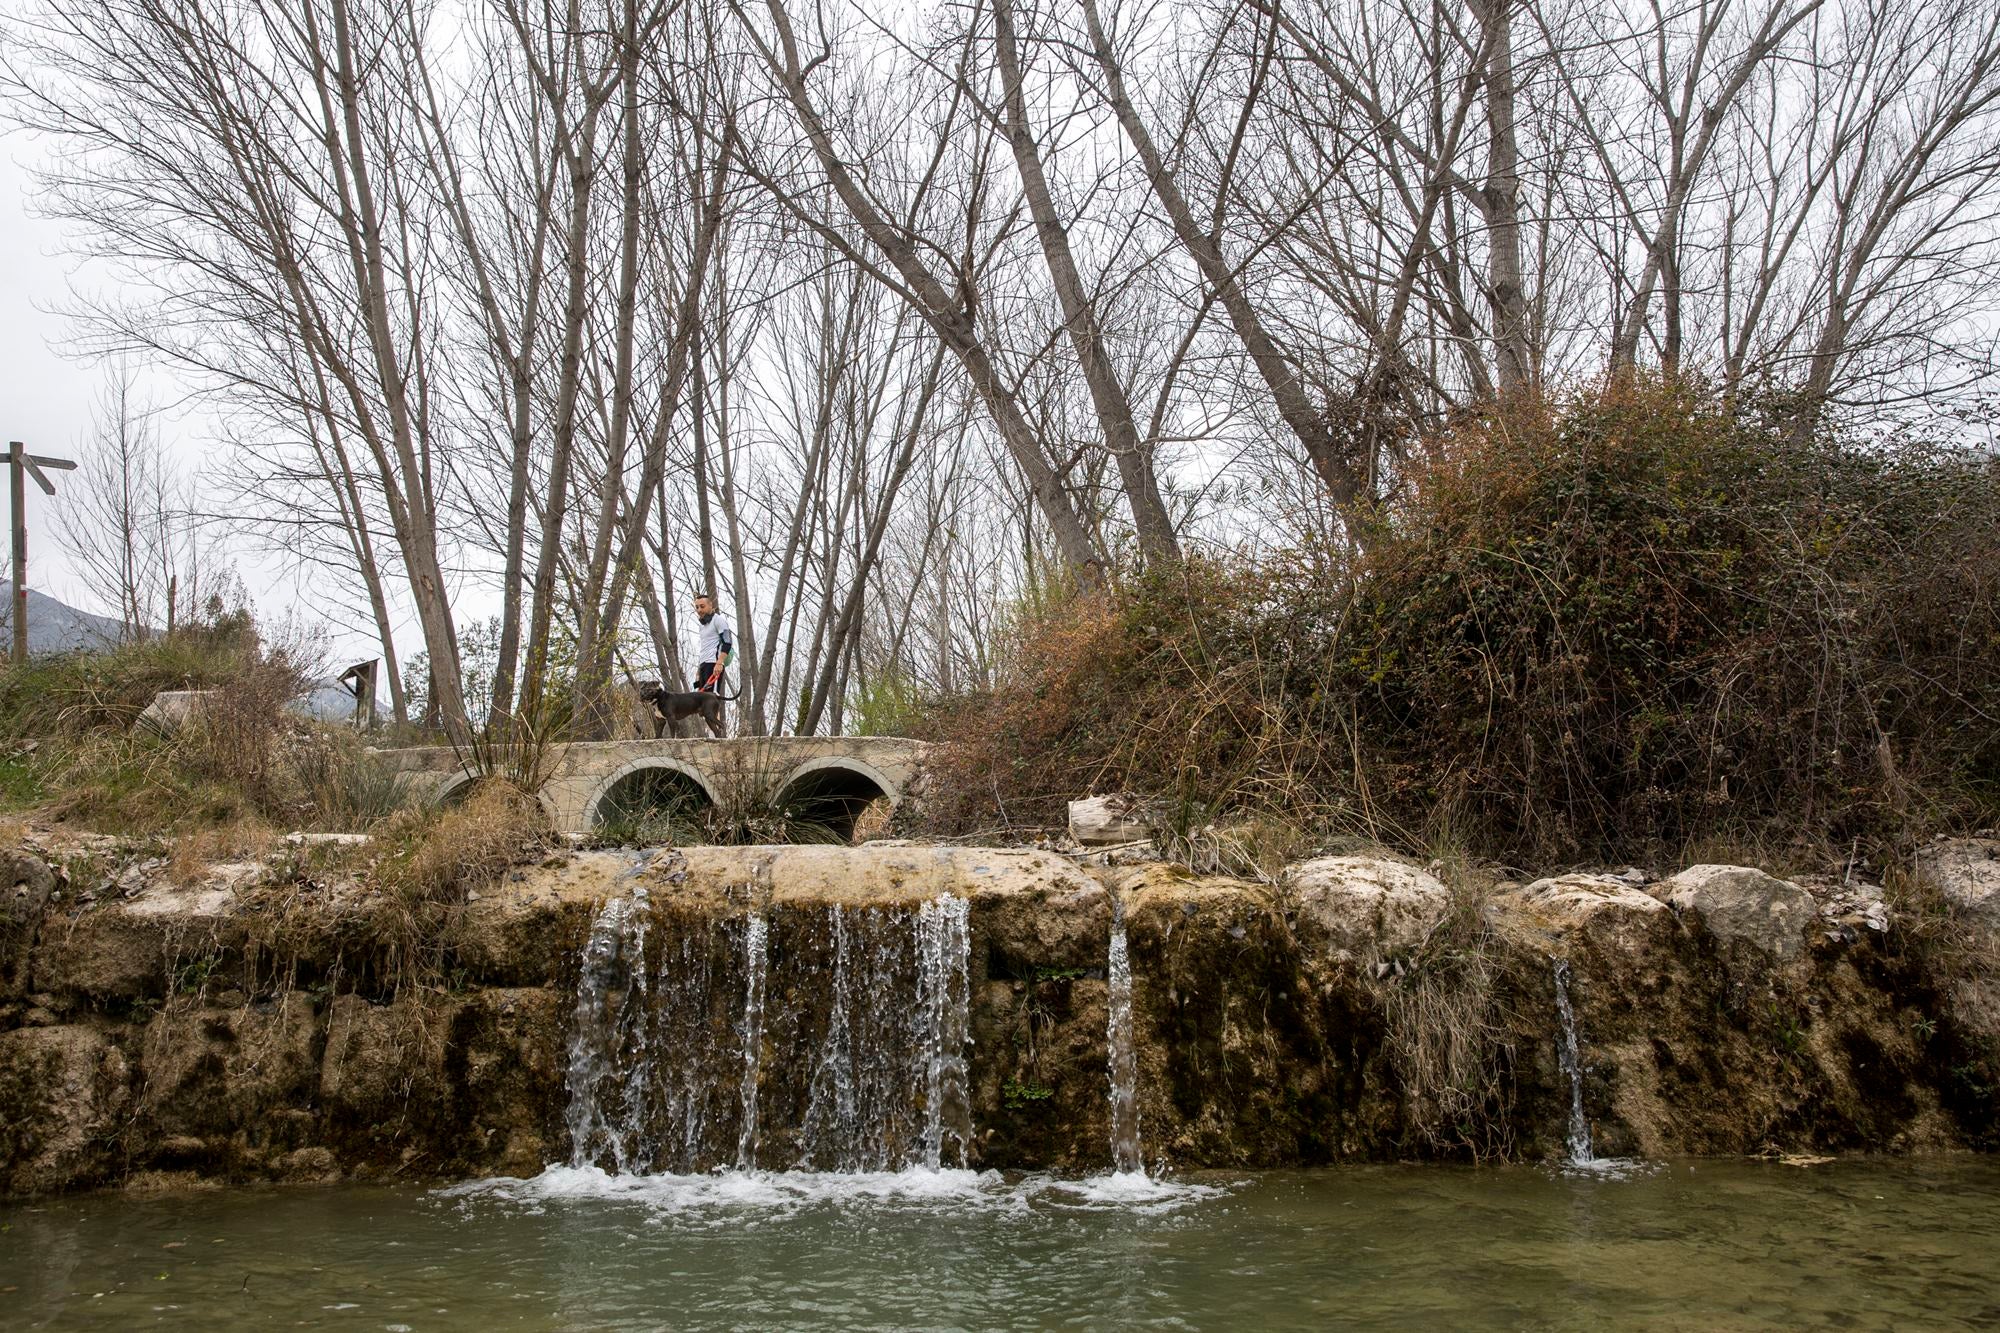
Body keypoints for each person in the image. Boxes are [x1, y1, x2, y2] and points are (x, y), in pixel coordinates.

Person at [692, 592, 733, 695]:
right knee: (700, 700)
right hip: (703, 664)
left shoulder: (718, 620)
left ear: (710, 605)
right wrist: (698, 669)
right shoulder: (702, 626)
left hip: (714, 664)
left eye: (702, 606)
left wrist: (719, 663)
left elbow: (727, 642)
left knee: (711, 699)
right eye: (697, 607)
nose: (699, 610)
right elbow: (705, 647)